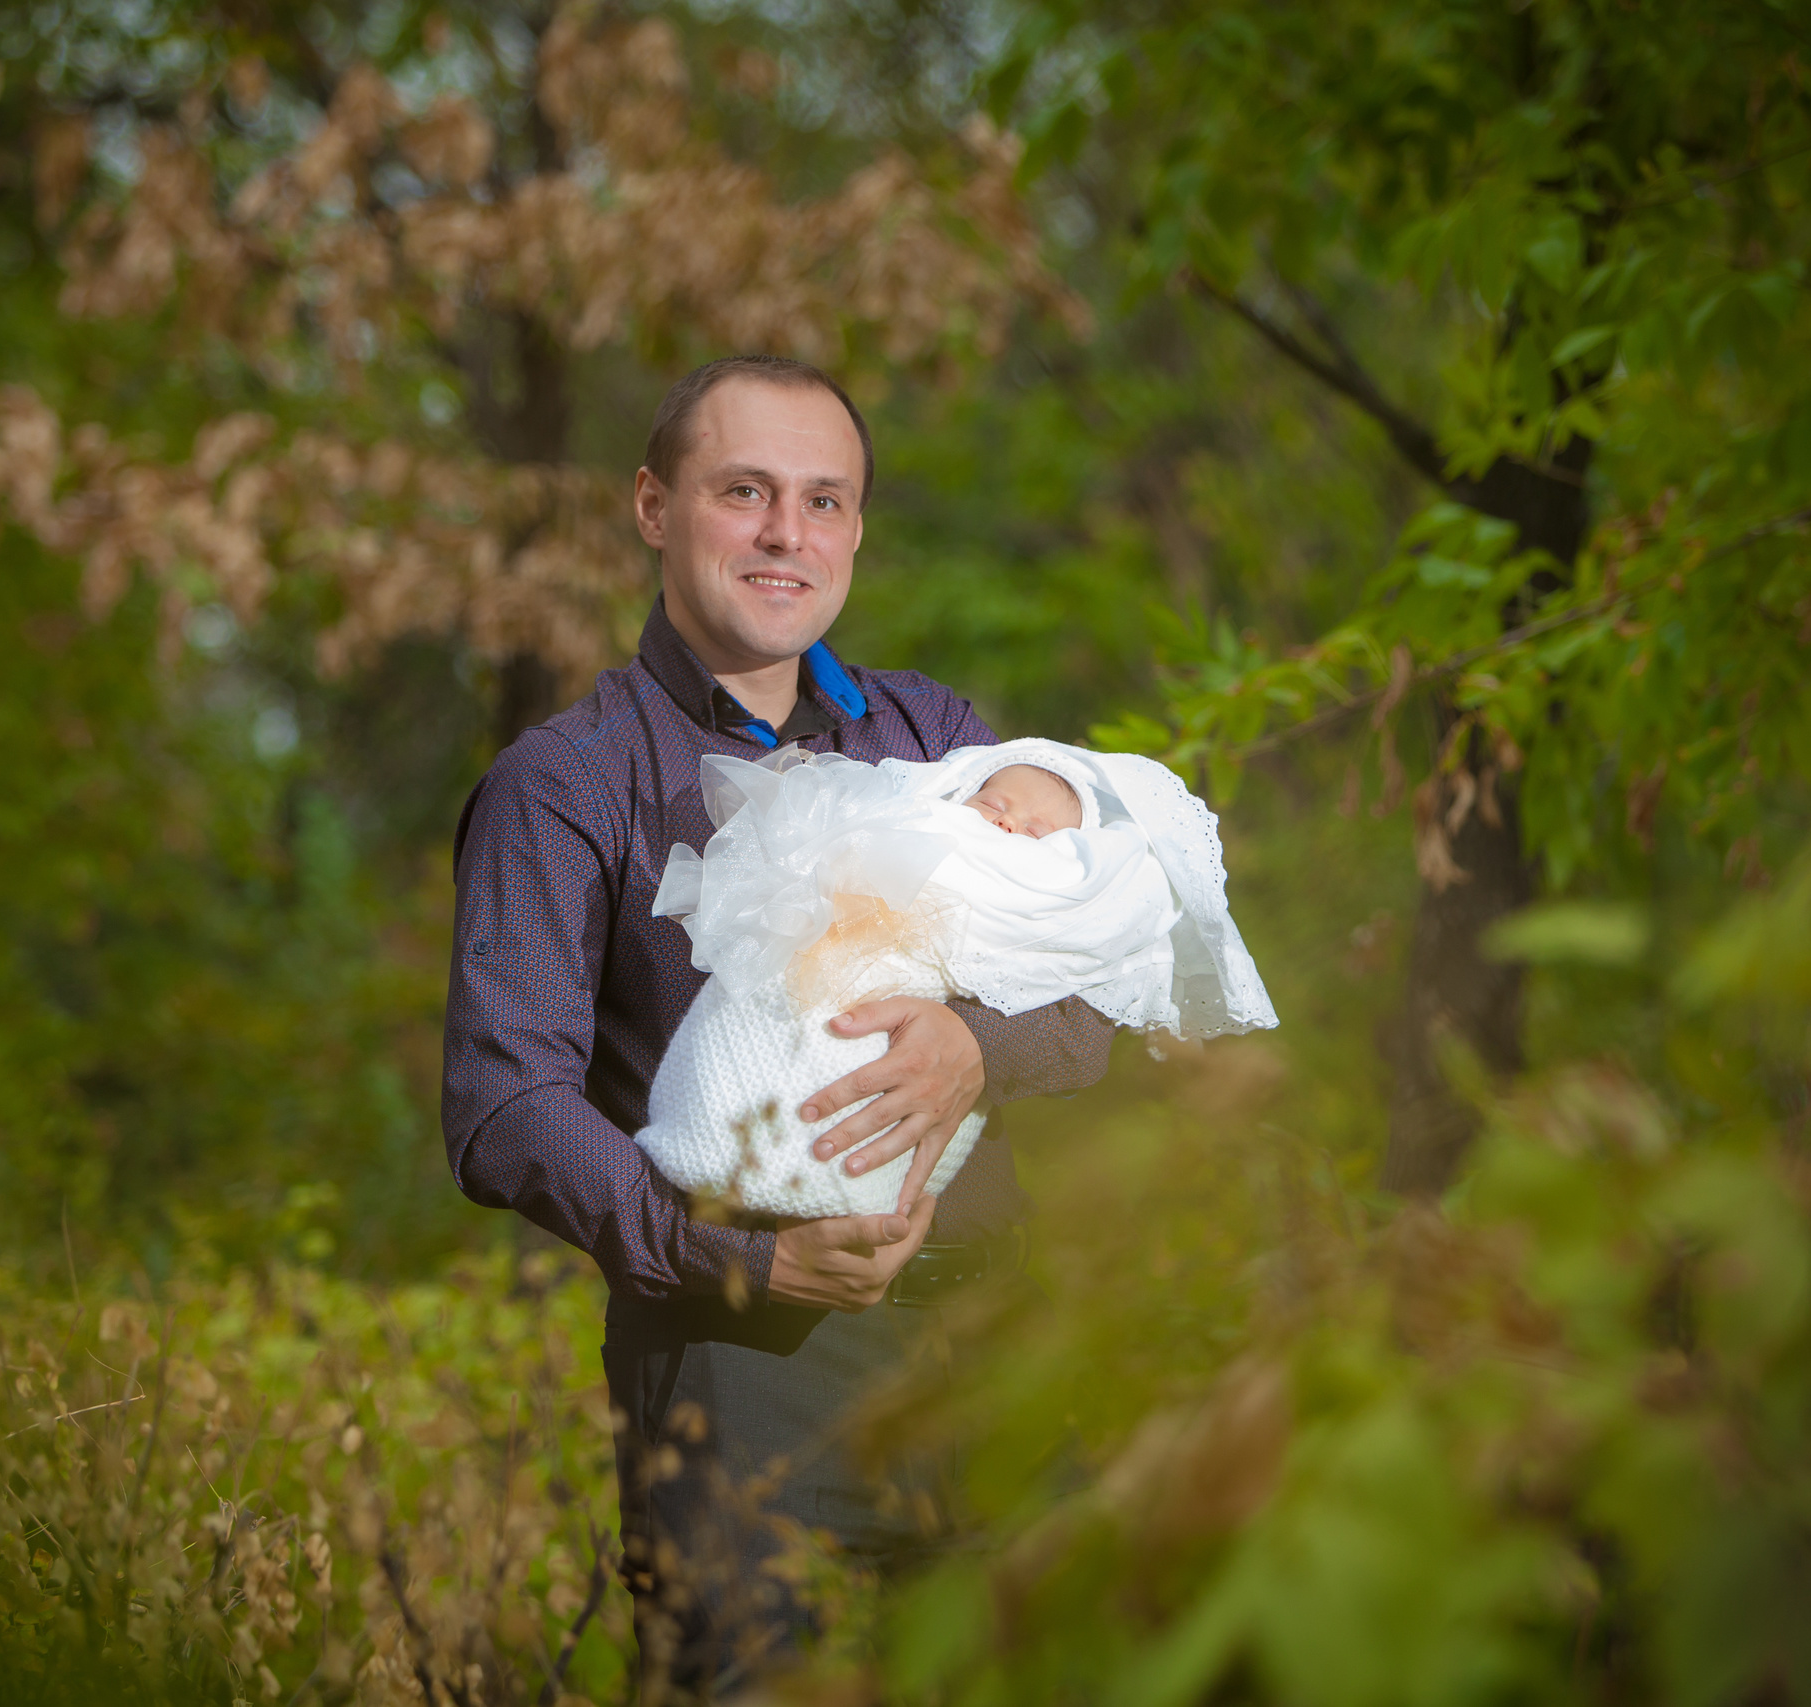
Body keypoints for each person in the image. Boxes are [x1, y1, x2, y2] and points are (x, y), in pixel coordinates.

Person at [441, 356, 1121, 1688]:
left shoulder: (941, 738)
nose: (784, 534)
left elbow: (1093, 993)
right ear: (654, 504)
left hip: (994, 1357)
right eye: (743, 490)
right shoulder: (567, 781)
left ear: (858, 528)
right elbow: (504, 1109)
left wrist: (983, 1045)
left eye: (824, 500)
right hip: (736, 1365)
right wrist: (730, 1257)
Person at [635, 739, 1279, 1220]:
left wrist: (975, 1038)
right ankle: (714, 1138)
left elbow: (1083, 1033)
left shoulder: (931, 714)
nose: (1004, 825)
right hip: (714, 1282)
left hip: (961, 1283)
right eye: (993, 805)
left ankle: (818, 1176)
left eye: (1037, 832)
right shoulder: (899, 808)